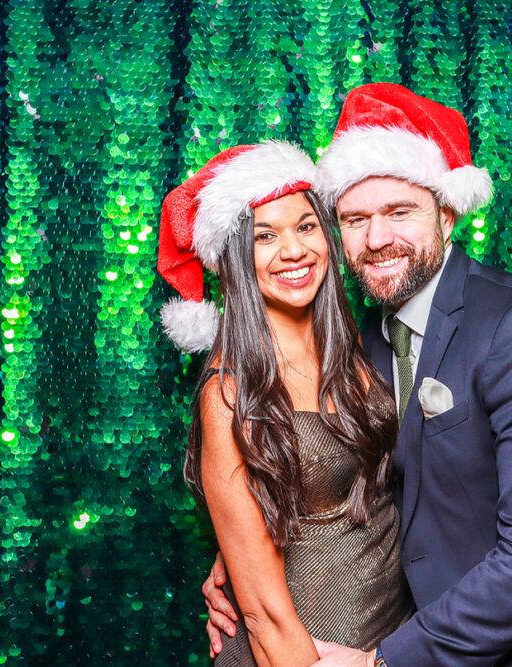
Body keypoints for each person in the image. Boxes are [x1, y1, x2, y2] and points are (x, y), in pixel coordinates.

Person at [204, 84, 512, 666]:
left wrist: (382, 663)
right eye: (355, 219)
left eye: (399, 212)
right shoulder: (360, 341)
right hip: (419, 628)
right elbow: (353, 473)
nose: (378, 238)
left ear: (447, 213)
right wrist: (241, 550)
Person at [157, 141, 414, 666]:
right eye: (265, 236)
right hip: (302, 650)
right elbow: (264, 616)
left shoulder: (360, 346)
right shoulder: (229, 393)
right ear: (235, 259)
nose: (293, 250)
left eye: (305, 226)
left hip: (390, 632)